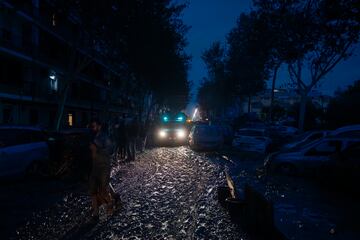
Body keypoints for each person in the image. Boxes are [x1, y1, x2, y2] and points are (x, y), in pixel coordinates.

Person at [88, 119, 115, 218]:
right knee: (93, 190)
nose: (92, 128)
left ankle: (110, 204)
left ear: (99, 126)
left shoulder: (105, 137)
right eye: (91, 126)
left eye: (94, 126)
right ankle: (96, 212)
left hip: (104, 166)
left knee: (103, 190)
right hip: (95, 166)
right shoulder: (92, 136)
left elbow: (111, 150)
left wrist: (98, 149)